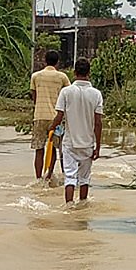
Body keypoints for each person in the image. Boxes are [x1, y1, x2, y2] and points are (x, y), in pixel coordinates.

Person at [51, 56, 104, 204]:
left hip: (69, 143)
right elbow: (98, 123)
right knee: (84, 178)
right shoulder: (96, 94)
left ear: (74, 72)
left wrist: (51, 128)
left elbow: (59, 116)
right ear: (89, 73)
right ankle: (82, 205)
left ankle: (69, 207)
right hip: (88, 144)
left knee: (70, 177)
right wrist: (98, 147)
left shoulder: (66, 92)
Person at [30, 49, 69, 182]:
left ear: (44, 61)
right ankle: (49, 176)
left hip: (39, 117)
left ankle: (38, 178)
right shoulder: (62, 77)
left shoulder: (35, 76)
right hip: (56, 119)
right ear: (57, 62)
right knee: (55, 148)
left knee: (39, 149)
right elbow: (67, 96)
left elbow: (34, 97)